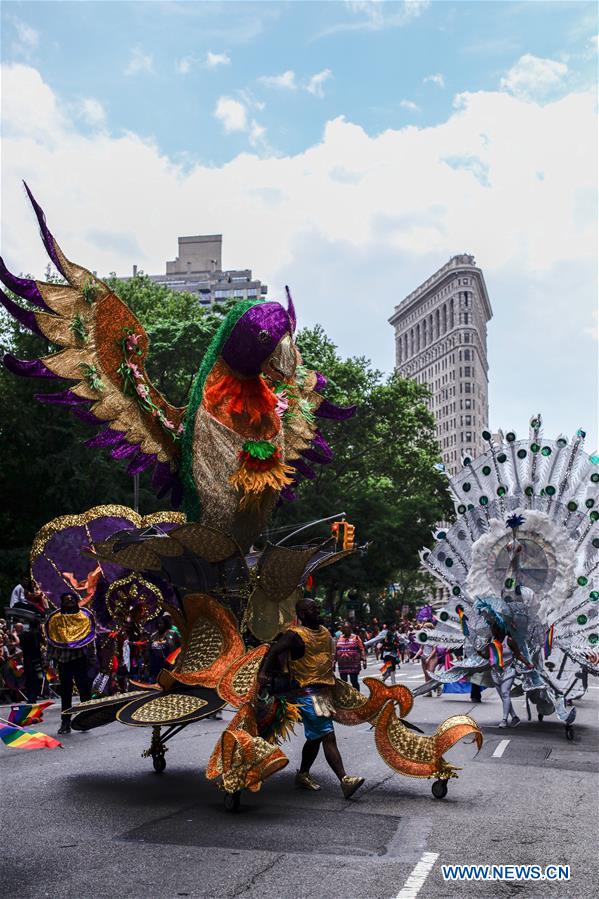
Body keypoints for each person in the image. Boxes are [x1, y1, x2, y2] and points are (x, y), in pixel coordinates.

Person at [258, 598, 365, 799]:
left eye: (317, 607)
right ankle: (344, 780)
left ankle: (303, 774)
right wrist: (263, 673)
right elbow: (274, 650)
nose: (317, 610)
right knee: (327, 735)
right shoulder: (295, 635)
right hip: (307, 694)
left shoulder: (324, 631)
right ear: (302, 614)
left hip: (324, 691)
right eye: (312, 608)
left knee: (315, 738)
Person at [45, 592, 97, 735]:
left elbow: (90, 638)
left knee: (84, 690)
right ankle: (65, 722)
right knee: (65, 692)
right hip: (63, 661)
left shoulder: (84, 618)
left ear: (76, 602)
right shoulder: (55, 619)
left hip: (80, 659)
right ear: (62, 602)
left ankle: (85, 720)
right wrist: (47, 661)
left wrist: (92, 658)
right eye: (66, 601)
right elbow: (51, 641)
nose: (69, 603)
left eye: (72, 600)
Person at [334, 622, 367, 691]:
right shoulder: (339, 638)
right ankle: (346, 696)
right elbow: (336, 650)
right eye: (344, 628)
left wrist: (364, 660)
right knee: (343, 683)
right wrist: (334, 662)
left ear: (350, 629)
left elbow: (361, 649)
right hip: (342, 665)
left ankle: (357, 696)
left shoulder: (356, 637)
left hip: (353, 665)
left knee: (354, 681)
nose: (345, 629)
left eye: (347, 628)